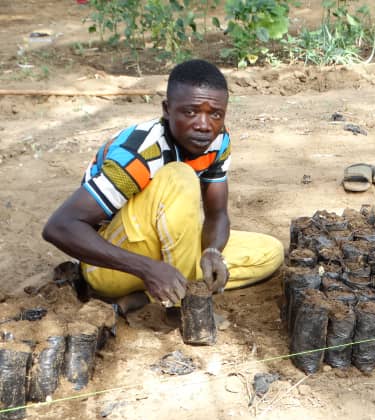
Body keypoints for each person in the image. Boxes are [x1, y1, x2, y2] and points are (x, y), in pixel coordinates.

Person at [42, 59, 284, 315]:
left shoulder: (218, 141)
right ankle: (180, 308)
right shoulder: (141, 153)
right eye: (190, 112)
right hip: (111, 268)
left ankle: (146, 296)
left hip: (167, 255)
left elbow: (217, 215)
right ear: (167, 109)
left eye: (215, 114)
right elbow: (60, 227)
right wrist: (147, 268)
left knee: (269, 252)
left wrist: (213, 251)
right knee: (180, 176)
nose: (204, 125)